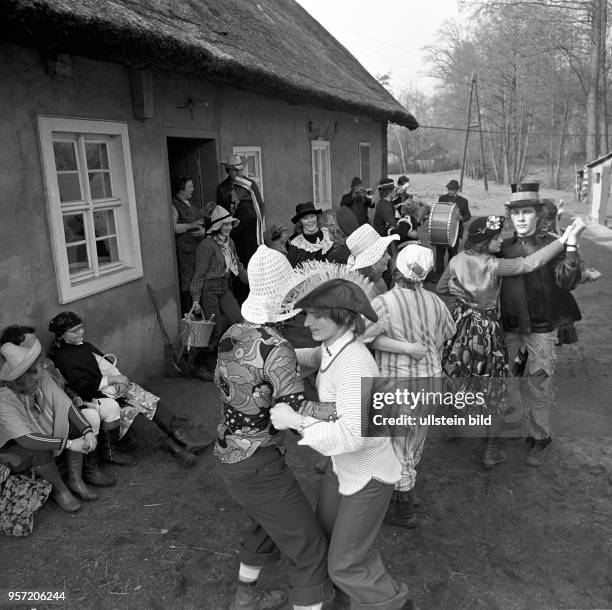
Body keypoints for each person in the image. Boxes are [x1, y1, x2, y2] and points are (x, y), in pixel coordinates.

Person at [270, 279, 412, 610]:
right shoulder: (335, 347)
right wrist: (273, 353)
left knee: (346, 564)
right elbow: (312, 357)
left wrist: (296, 421)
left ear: (345, 317)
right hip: (343, 468)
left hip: (369, 474)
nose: (306, 323)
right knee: (329, 541)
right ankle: (347, 602)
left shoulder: (354, 364)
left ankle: (397, 605)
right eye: (307, 314)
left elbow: (351, 436)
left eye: (317, 315)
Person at [215, 245, 334, 610]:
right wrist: (343, 406)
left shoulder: (234, 332)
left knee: (266, 523)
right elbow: (295, 409)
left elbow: (257, 377)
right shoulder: (277, 345)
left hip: (230, 451)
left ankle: (245, 597)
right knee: (310, 547)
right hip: (259, 463)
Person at [437, 212, 583, 469]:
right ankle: (491, 450)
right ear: (485, 243)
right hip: (487, 331)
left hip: (462, 328)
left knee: (459, 374)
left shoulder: (457, 260)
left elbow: (441, 288)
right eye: (495, 239)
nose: (500, 243)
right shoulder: (493, 265)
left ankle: (452, 425)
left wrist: (459, 294)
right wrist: (563, 241)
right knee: (496, 388)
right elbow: (529, 263)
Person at [361, 245, 456, 528]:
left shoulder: (383, 303)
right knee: (414, 440)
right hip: (430, 382)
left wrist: (401, 346)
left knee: (396, 445)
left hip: (398, 384)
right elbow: (447, 335)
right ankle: (406, 489)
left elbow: (363, 337)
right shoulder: (436, 302)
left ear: (397, 270)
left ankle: (403, 507)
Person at [48, 312, 211, 467]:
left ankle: (184, 436)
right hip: (93, 398)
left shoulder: (84, 346)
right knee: (132, 415)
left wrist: (120, 380)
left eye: (82, 327)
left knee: (146, 398)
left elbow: (105, 365)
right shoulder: (62, 357)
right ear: (62, 334)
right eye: (75, 331)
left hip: (108, 388)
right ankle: (174, 449)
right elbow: (83, 387)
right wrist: (112, 380)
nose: (81, 332)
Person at [499, 184, 585, 466]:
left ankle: (539, 437)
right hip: (510, 326)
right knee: (508, 377)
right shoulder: (504, 247)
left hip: (541, 328)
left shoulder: (553, 244)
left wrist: (571, 245)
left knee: (539, 382)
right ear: (510, 217)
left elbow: (567, 281)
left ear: (538, 215)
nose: (521, 219)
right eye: (516, 213)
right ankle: (512, 422)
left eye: (527, 212)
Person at [0, 329, 97, 512]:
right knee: (39, 449)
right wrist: (69, 444)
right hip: (13, 445)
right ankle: (60, 491)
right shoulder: (4, 399)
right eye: (38, 366)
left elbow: (65, 404)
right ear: (25, 376)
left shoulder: (40, 377)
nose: (44, 367)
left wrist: (87, 431)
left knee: (74, 426)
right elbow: (26, 439)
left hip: (39, 429)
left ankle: (75, 480)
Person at [190, 206, 248, 379]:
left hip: (224, 286)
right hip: (208, 289)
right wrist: (195, 299)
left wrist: (251, 281)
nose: (229, 227)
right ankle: (203, 365)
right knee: (215, 327)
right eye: (225, 225)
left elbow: (236, 264)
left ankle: (229, 358)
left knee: (237, 320)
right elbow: (199, 273)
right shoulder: (206, 246)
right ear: (216, 226)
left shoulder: (229, 242)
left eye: (230, 224)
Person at [216, 155, 265, 270]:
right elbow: (221, 213)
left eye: (241, 169)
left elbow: (260, 205)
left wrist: (257, 226)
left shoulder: (250, 184)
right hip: (232, 232)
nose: (239, 173)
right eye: (236, 170)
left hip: (250, 229)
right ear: (229, 170)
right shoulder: (222, 188)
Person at [172, 175, 211, 314]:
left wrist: (204, 211)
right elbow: (173, 227)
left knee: (197, 280)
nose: (193, 189)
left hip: (196, 249)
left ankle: (200, 313)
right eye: (190, 186)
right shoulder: (174, 205)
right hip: (185, 253)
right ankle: (190, 316)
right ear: (181, 189)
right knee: (187, 284)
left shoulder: (189, 202)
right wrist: (190, 226)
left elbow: (192, 215)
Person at [345, 223, 399, 295]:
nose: (389, 257)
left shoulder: (377, 278)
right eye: (383, 255)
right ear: (370, 263)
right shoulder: (368, 292)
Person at [434, 179, 472, 277]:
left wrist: (461, 218)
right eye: (448, 189)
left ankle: (451, 275)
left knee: (453, 255)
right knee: (439, 255)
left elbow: (468, 215)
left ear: (456, 190)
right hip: (441, 230)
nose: (449, 191)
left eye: (452, 189)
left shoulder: (463, 201)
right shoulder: (442, 198)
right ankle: (439, 275)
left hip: (454, 232)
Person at [287, 201, 335, 267]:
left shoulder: (329, 235)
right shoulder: (296, 245)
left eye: (312, 216)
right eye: (305, 218)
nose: (310, 221)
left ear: (316, 217)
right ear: (300, 222)